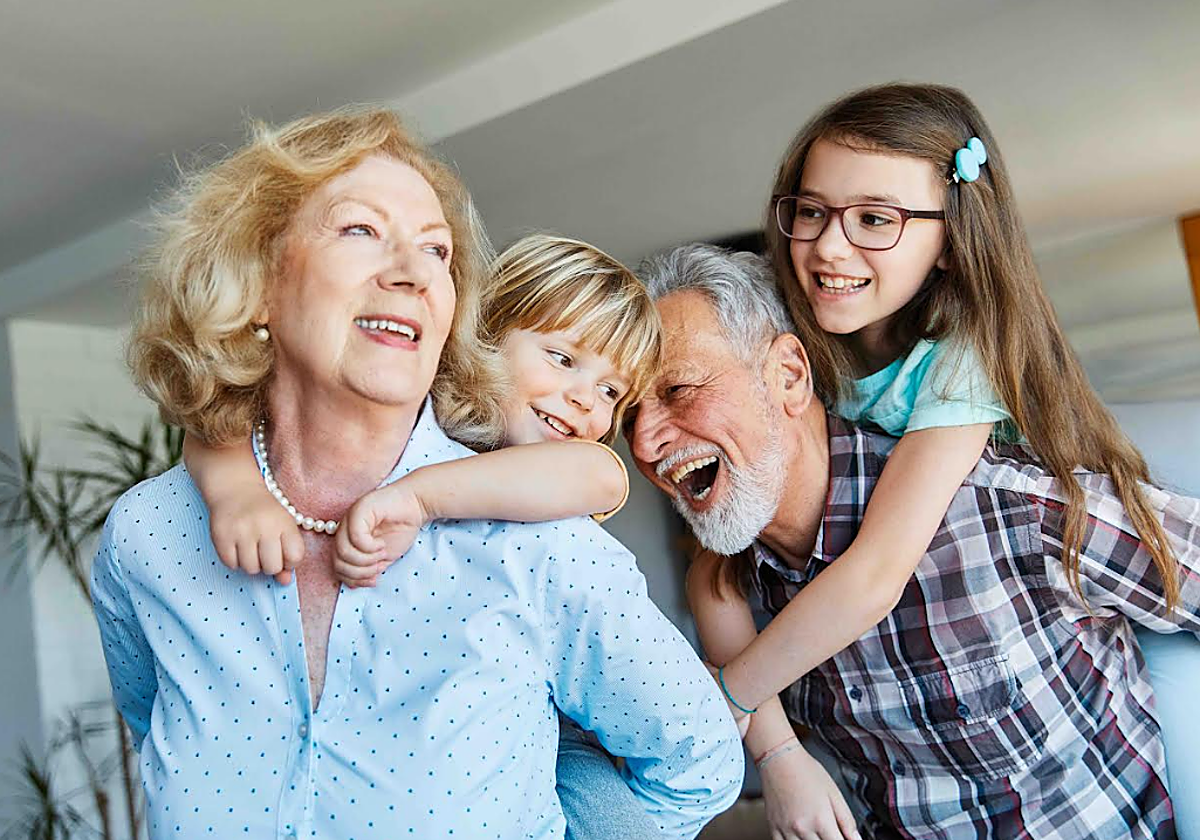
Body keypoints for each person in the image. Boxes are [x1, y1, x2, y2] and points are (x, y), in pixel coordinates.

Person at [90, 106, 743, 840]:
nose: (411, 272)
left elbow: (698, 766)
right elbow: (153, 731)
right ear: (258, 280)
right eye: (361, 230)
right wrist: (235, 488)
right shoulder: (150, 534)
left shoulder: (542, 539)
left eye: (436, 251)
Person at [713, 83, 1198, 837]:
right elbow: (710, 575)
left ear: (950, 245)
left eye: (876, 219)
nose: (829, 246)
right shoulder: (800, 352)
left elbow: (878, 572)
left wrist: (730, 701)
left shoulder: (961, 360)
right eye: (811, 211)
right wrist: (777, 753)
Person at [628, 241, 1200, 839]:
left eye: (678, 391)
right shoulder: (729, 588)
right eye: (628, 417)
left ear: (789, 376)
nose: (645, 445)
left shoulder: (1007, 507)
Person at [183, 232, 669, 840]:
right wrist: (235, 492)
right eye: (564, 359)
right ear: (485, 332)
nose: (583, 400)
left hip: (556, 730)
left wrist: (417, 498)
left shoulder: (567, 465)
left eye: (610, 392)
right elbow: (221, 419)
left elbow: (601, 473)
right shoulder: (411, 402)